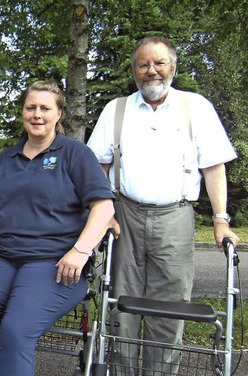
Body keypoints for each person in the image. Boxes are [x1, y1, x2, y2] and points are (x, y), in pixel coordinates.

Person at [87, 36, 240, 374]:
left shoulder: (195, 107)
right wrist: (105, 213)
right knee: (120, 305)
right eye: (143, 64)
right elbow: (98, 168)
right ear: (134, 71)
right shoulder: (117, 109)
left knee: (170, 309)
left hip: (176, 216)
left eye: (159, 63)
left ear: (173, 67)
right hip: (123, 216)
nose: (151, 71)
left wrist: (220, 220)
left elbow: (213, 167)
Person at [0, 81, 115, 376]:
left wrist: (81, 251)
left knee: (15, 333)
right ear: (22, 112)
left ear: (59, 114)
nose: (37, 114)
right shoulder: (5, 159)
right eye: (31, 107)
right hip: (0, 258)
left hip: (55, 263)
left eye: (45, 108)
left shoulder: (75, 154)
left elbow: (104, 207)